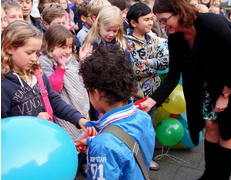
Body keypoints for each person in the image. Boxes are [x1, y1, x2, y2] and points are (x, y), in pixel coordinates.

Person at [138, 0, 231, 179]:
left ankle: (222, 176)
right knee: (210, 124)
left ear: (179, 13)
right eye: (159, 21)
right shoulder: (175, 36)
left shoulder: (214, 24)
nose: (162, 25)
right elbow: (173, 75)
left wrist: (224, 95)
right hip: (211, 78)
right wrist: (151, 101)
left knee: (227, 129)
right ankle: (210, 174)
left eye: (164, 20)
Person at [78, 44, 155, 180]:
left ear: (96, 93)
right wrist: (93, 145)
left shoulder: (103, 145)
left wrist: (97, 148)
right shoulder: (143, 116)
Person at [1, 20, 89, 131]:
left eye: (36, 53)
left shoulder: (37, 74)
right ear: (9, 48)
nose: (34, 58)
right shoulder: (3, 86)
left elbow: (54, 101)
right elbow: (4, 128)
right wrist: (34, 123)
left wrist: (78, 119)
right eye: (29, 53)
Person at [126, 2, 169, 171]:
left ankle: (146, 158)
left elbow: (166, 61)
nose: (151, 23)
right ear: (133, 23)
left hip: (152, 93)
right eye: (146, 19)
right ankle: (131, 158)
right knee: (133, 127)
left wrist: (149, 62)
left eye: (151, 19)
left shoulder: (153, 39)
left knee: (148, 127)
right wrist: (154, 64)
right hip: (133, 94)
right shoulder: (128, 42)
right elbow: (136, 68)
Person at [38, 24, 90, 141]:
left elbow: (81, 83)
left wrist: (83, 63)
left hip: (79, 109)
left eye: (70, 47)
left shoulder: (72, 60)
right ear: (50, 45)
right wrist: (60, 67)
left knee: (83, 141)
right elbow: (53, 88)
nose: (67, 51)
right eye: (62, 46)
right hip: (63, 112)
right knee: (71, 142)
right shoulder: (45, 62)